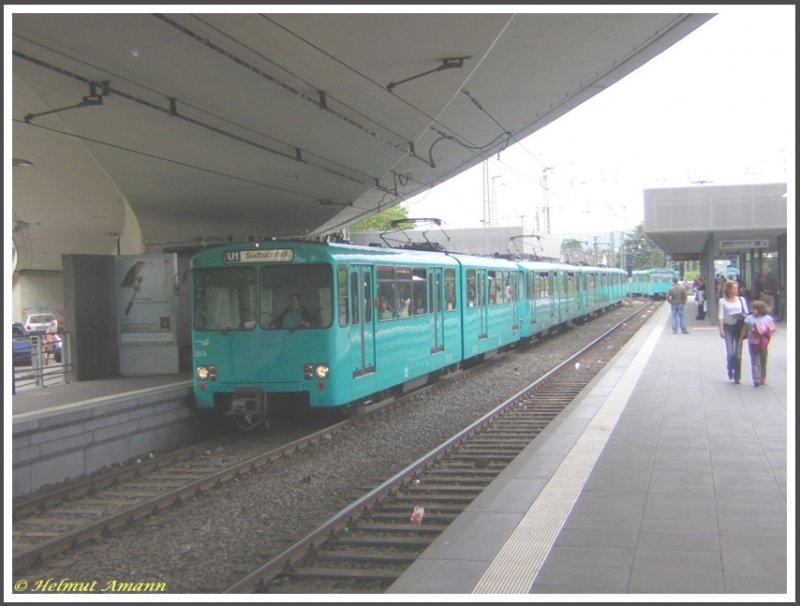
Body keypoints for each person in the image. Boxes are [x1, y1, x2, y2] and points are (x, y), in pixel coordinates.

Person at [717, 280, 748, 384]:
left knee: (738, 353)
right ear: (728, 289)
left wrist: (741, 316)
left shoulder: (741, 300)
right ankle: (730, 367)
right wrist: (721, 329)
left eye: (736, 288)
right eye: (733, 288)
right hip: (728, 328)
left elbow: (746, 313)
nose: (736, 290)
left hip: (739, 328)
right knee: (730, 353)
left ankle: (737, 376)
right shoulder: (722, 301)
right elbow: (721, 316)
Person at [743, 299, 776, 387]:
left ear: (760, 309)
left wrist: (768, 334)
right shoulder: (749, 318)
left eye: (754, 308)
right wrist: (740, 339)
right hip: (752, 342)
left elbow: (772, 329)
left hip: (763, 343)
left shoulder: (768, 318)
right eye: (752, 308)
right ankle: (756, 378)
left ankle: (762, 377)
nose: (752, 310)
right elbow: (744, 329)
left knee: (763, 360)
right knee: (754, 360)